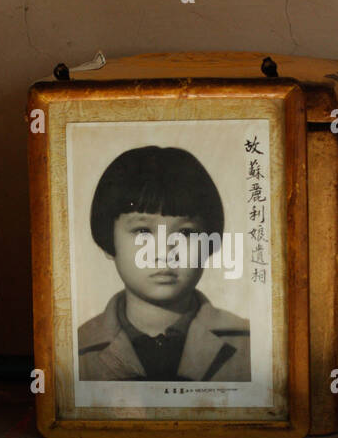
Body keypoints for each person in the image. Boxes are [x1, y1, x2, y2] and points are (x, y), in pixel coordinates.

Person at [78, 145, 250, 382]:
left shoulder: (250, 344)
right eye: (142, 231)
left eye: (186, 233)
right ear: (108, 240)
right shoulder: (76, 349)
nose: (164, 252)